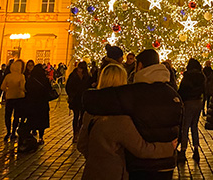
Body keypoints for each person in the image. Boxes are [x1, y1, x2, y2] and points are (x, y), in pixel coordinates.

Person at [83, 49, 182, 179]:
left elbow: (92, 100)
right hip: (167, 164)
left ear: (139, 66)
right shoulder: (173, 94)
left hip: (140, 166)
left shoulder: (133, 93)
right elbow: (181, 124)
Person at [177, 58, 205, 162]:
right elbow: (204, 89)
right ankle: (196, 149)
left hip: (188, 102)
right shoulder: (201, 76)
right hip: (198, 101)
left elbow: (182, 91)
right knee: (194, 126)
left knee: (185, 127)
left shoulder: (187, 77)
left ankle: (183, 150)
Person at [66, 61, 92, 142]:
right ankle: (75, 134)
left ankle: (80, 133)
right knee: (76, 116)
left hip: (83, 99)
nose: (80, 70)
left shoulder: (87, 76)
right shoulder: (73, 75)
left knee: (82, 117)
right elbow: (68, 86)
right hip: (75, 99)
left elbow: (89, 85)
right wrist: (71, 95)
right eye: (80, 68)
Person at [1, 59, 26, 141]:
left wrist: (8, 90)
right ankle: (13, 132)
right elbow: (22, 87)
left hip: (9, 98)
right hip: (18, 98)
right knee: (16, 116)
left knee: (7, 115)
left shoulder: (8, 76)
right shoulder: (21, 76)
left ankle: (8, 131)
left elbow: (2, 87)